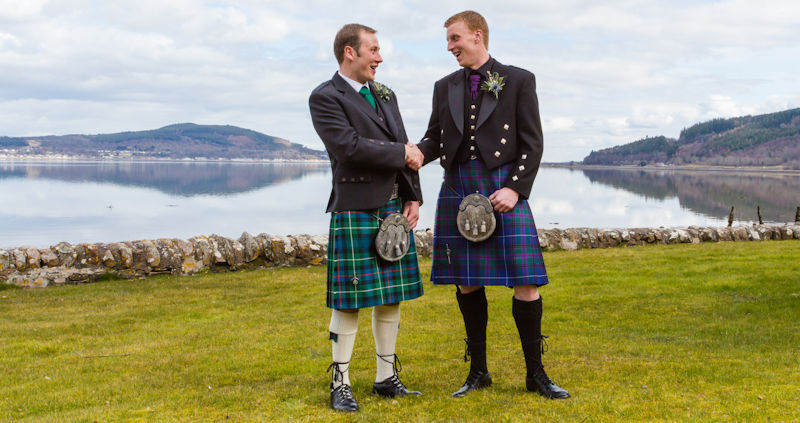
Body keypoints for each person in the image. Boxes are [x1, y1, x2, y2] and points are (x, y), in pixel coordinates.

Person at [417, 11, 569, 399]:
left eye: (455, 39)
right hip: (459, 189)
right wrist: (412, 154)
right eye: (448, 41)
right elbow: (434, 138)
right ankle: (478, 372)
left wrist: (516, 189)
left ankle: (536, 374)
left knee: (526, 281)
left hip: (502, 188)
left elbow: (532, 142)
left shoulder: (518, 79)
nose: (449, 47)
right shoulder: (443, 86)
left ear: (477, 35)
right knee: (467, 283)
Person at [308, 23, 426, 412]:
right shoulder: (326, 97)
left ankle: (385, 377)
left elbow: (405, 144)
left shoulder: (384, 94)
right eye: (373, 50)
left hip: (393, 208)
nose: (379, 57)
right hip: (356, 207)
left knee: (391, 297)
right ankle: (339, 382)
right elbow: (348, 148)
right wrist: (401, 154)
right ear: (349, 52)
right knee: (349, 301)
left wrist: (413, 196)